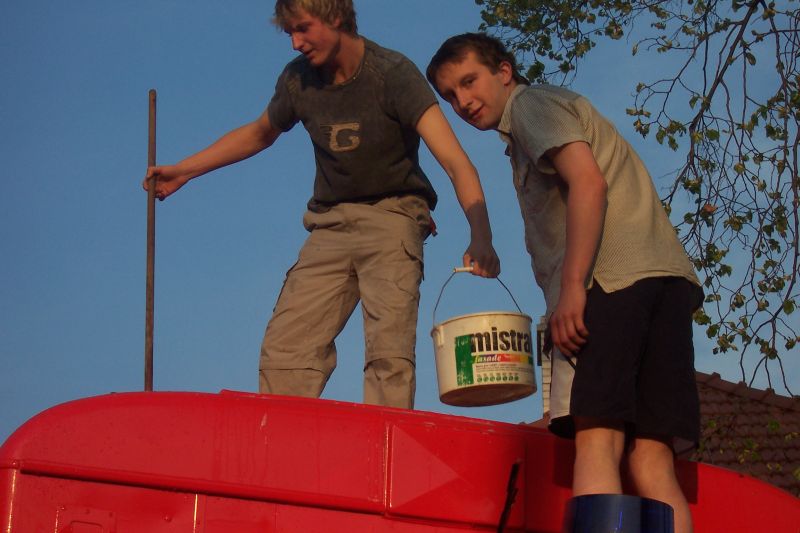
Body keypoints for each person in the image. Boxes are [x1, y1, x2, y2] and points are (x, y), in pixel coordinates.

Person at [142, 2, 500, 410]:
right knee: (287, 347)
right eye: (289, 33)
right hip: (330, 224)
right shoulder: (298, 81)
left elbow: (455, 162)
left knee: (389, 352)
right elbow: (259, 133)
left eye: (302, 29)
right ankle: (280, 439)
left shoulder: (392, 73)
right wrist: (185, 171)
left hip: (394, 215)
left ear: (335, 17)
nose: (295, 43)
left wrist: (482, 236)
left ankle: (381, 442)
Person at [426, 33, 702, 532]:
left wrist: (574, 287)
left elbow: (588, 182)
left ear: (504, 72)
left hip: (610, 282)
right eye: (449, 95)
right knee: (652, 459)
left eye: (469, 82)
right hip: (667, 281)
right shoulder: (551, 111)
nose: (462, 101)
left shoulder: (530, 107)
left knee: (596, 441)